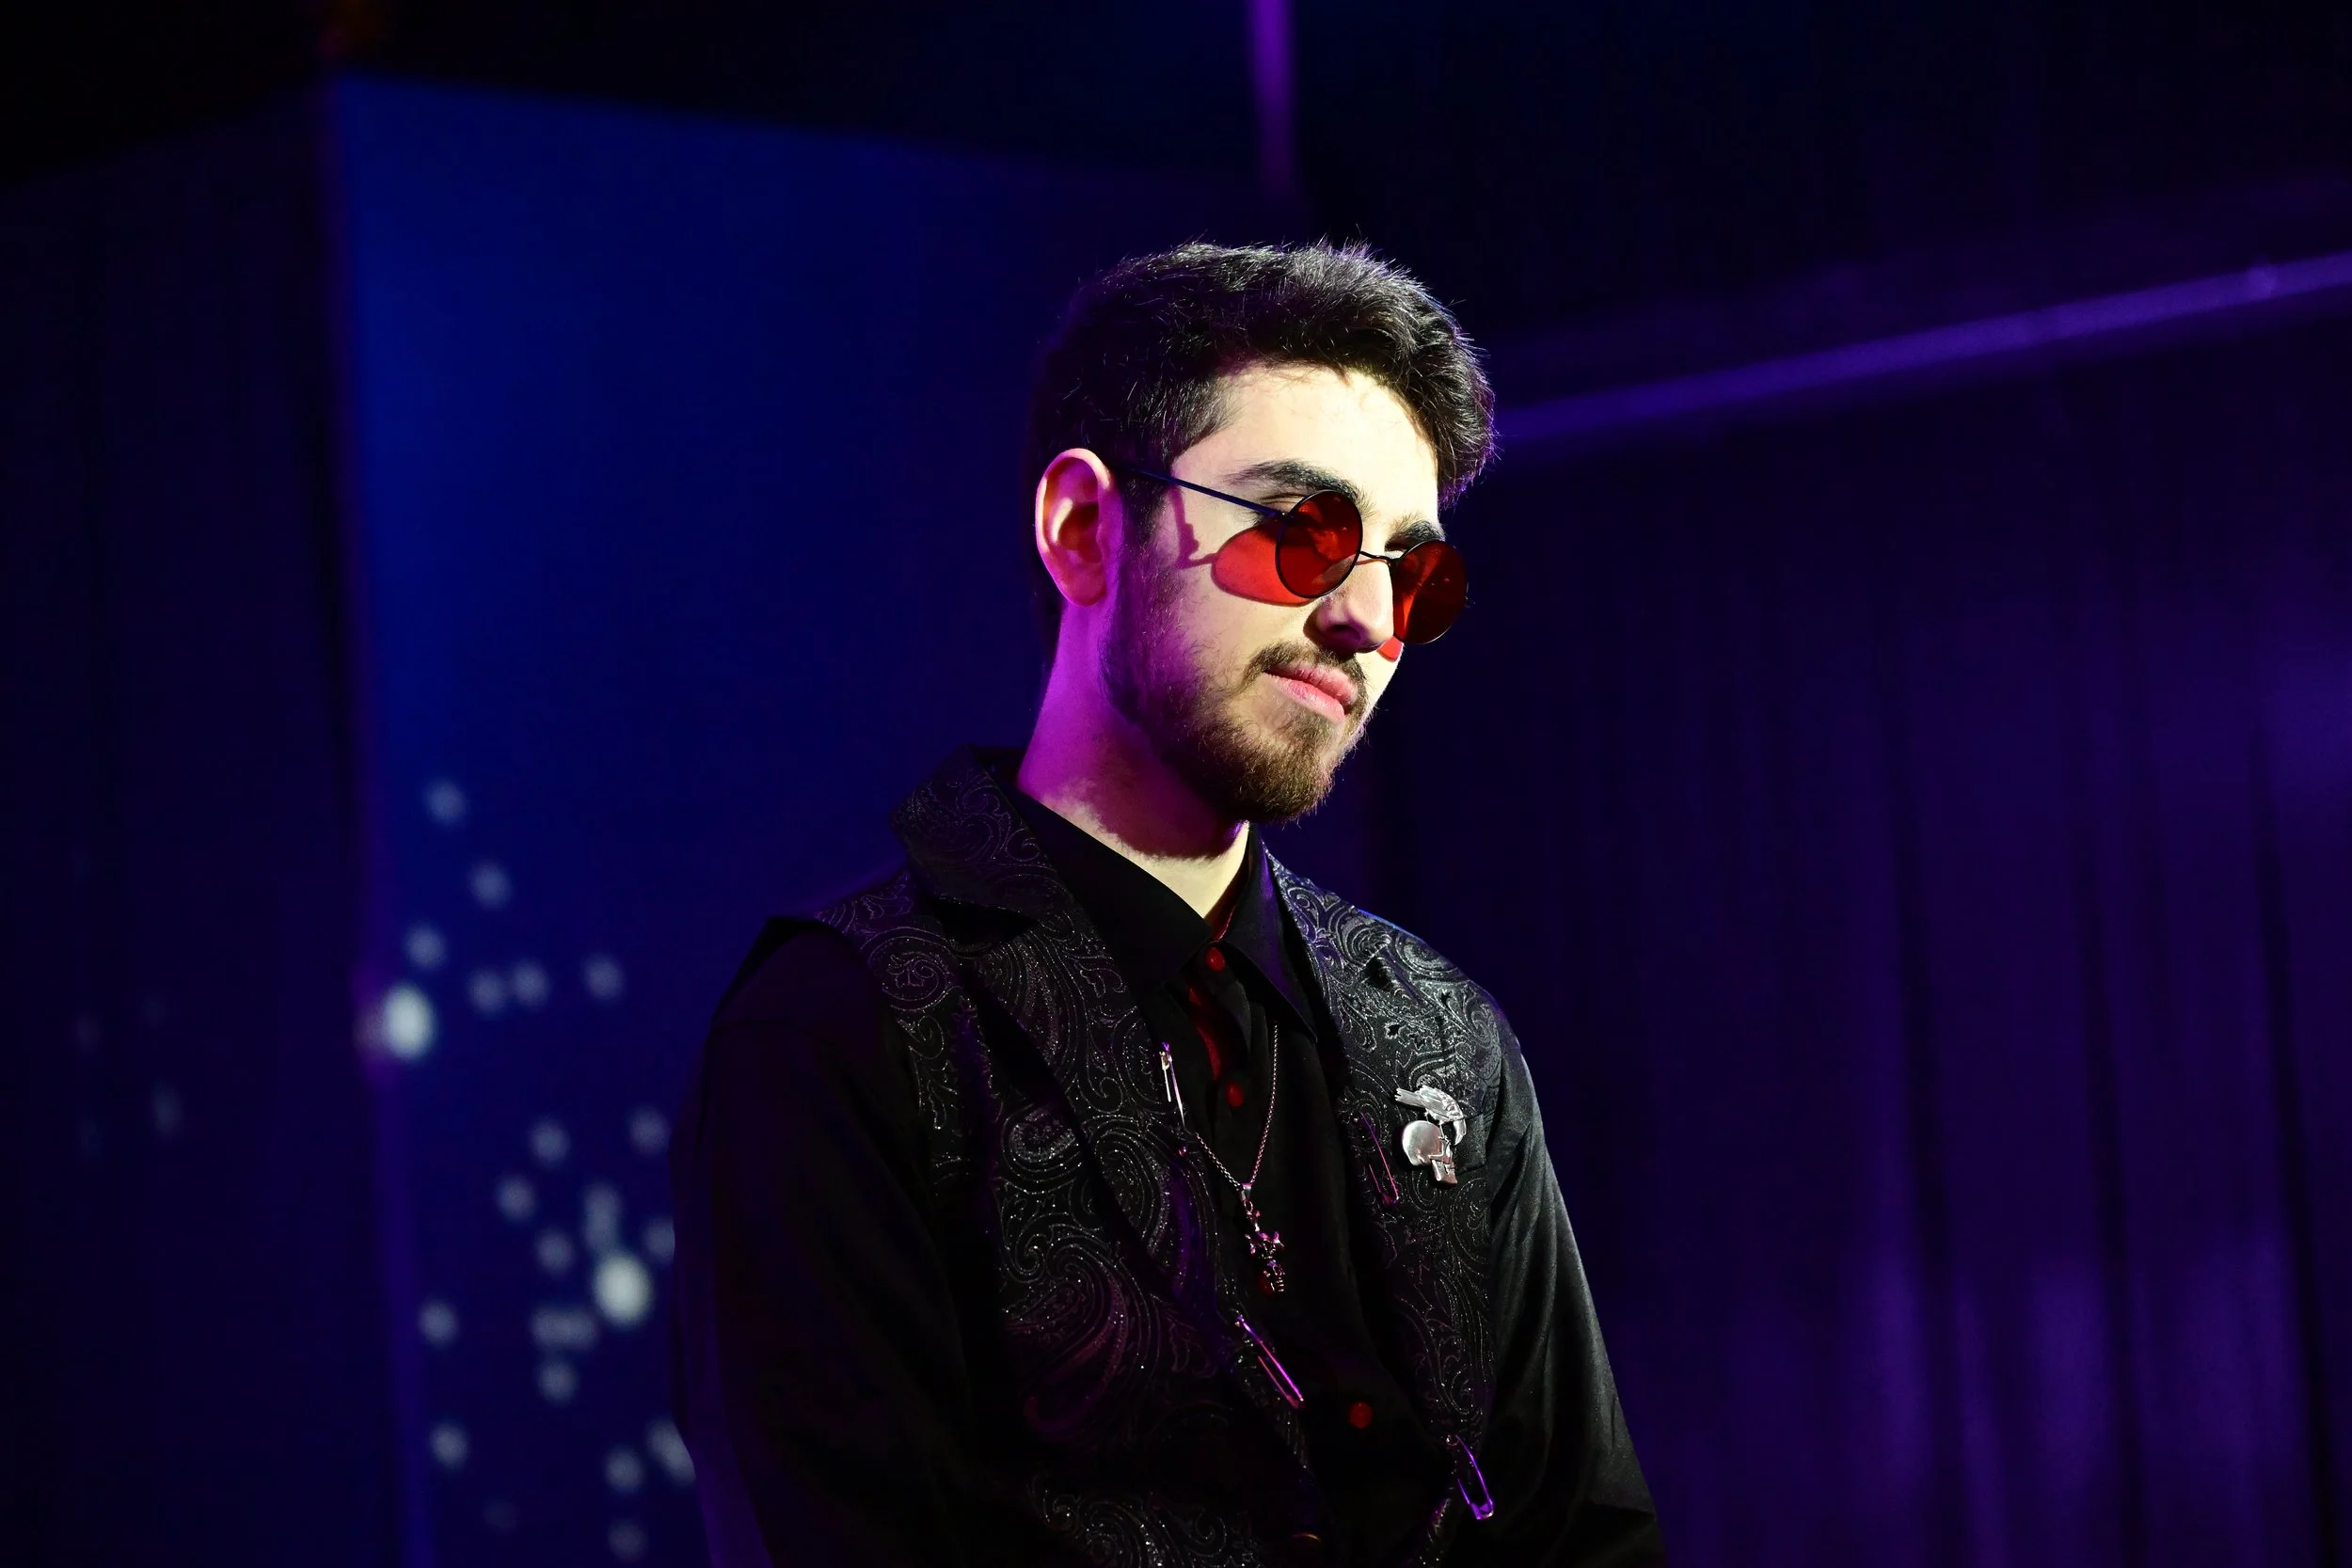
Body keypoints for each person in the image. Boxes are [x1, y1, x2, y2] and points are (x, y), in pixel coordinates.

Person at [670, 242, 1664, 1567]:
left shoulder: (1442, 1043)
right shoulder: (845, 1028)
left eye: (1412, 573)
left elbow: (1586, 1534)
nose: (1366, 616)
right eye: (1303, 530)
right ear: (1084, 528)